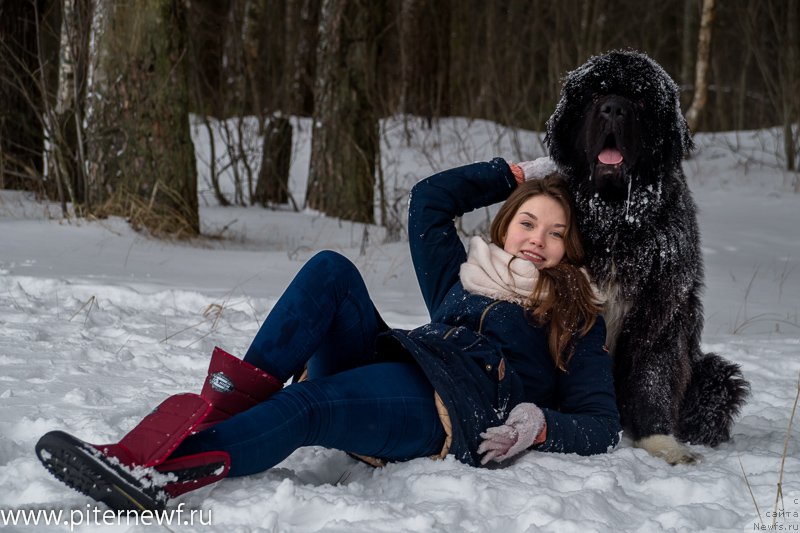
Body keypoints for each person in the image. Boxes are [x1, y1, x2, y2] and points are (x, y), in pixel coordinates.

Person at [35, 158, 620, 512]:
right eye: (527, 221)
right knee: (331, 270)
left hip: (450, 409)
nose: (537, 239)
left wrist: (537, 423)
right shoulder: (464, 275)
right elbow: (429, 202)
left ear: (570, 249)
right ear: (504, 223)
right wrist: (519, 173)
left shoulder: (574, 315)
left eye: (556, 232)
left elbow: (600, 424)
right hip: (403, 365)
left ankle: (163, 473)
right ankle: (221, 415)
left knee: (308, 404)